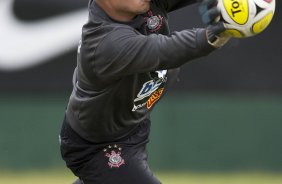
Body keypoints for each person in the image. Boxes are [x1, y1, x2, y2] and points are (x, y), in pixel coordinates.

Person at [59, 0, 230, 183]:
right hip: (97, 146)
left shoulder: (145, 4)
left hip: (132, 125)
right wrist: (218, 32)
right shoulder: (104, 43)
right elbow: (164, 50)